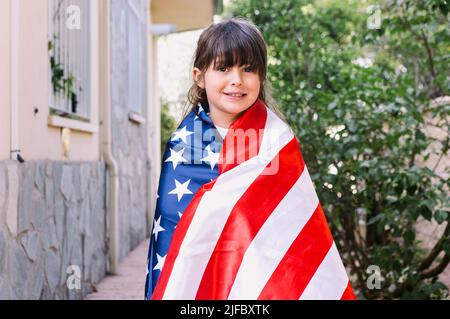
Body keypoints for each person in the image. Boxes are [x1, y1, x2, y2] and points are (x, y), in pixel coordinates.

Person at [145, 17, 355, 300]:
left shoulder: (277, 143)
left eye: (248, 69)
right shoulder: (184, 147)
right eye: (223, 68)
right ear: (200, 76)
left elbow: (294, 234)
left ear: (261, 76)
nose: (237, 80)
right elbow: (174, 237)